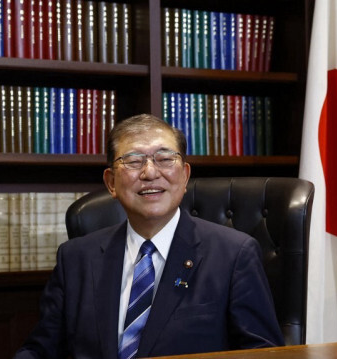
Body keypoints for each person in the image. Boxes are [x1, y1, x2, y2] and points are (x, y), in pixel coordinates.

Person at [14, 114, 284, 359]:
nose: (150, 172)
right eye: (133, 161)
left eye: (165, 159)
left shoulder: (233, 254)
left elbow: (263, 353)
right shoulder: (75, 258)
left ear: (185, 174)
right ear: (111, 183)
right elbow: (39, 350)